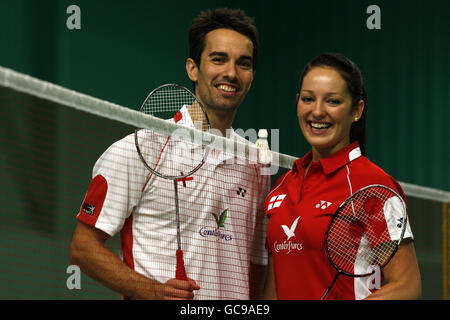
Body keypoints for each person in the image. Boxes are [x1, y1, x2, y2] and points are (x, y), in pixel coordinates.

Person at [69, 8, 269, 300]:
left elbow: (254, 262)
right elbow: (82, 248)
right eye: (218, 59)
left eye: (244, 63)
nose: (231, 73)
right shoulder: (141, 148)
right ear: (192, 68)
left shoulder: (256, 164)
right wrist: (153, 291)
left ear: (251, 76)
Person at [263, 53, 421, 300]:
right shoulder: (282, 186)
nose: (317, 111)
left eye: (333, 101)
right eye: (308, 99)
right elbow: (275, 288)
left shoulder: (374, 185)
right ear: (297, 103)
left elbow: (407, 287)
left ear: (356, 110)